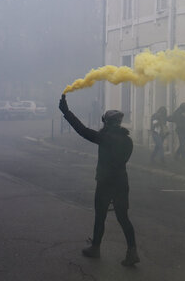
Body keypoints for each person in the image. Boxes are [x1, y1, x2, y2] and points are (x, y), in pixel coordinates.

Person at [58, 94, 139, 266]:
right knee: (123, 218)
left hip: (105, 183)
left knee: (100, 216)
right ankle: (132, 251)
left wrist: (66, 111)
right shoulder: (128, 141)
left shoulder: (105, 138)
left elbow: (82, 130)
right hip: (121, 182)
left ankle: (95, 248)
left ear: (107, 123)